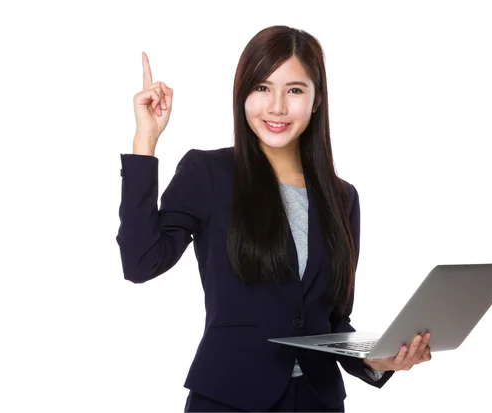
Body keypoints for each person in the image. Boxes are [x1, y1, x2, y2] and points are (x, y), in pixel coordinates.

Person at [116, 25, 432, 412]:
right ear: (242, 95)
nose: (277, 107)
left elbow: (332, 322)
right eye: (262, 88)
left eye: (295, 90)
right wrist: (144, 142)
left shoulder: (341, 197)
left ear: (316, 101)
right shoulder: (208, 173)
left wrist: (376, 360)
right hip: (229, 399)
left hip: (317, 402)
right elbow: (140, 261)